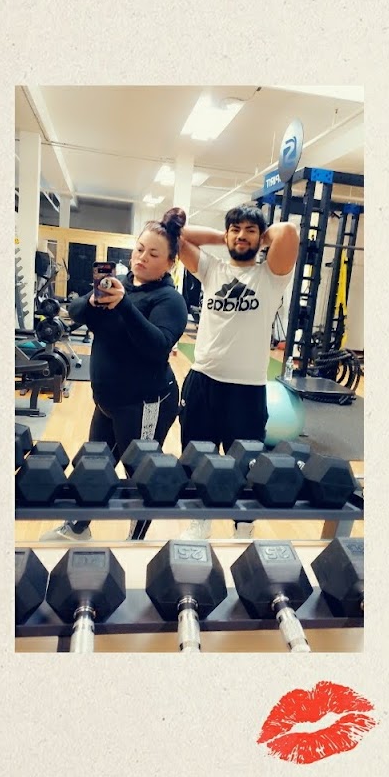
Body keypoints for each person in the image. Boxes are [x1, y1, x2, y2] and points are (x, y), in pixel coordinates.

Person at [40, 207, 189, 542]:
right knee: (94, 464)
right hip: (107, 402)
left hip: (145, 403)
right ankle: (77, 527)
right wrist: (95, 299)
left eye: (153, 254)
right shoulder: (117, 285)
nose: (142, 258)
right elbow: (75, 312)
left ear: (170, 263)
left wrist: (124, 305)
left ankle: (136, 540)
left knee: (140, 471)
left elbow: (157, 346)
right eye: (139, 249)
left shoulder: (170, 300)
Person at [177, 202, 299, 540]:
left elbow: (288, 232)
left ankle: (242, 523)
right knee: (197, 456)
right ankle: (200, 520)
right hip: (203, 381)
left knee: (246, 463)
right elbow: (176, 235)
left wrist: (255, 239)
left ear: (261, 237)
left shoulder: (271, 276)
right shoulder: (211, 269)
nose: (241, 235)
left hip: (246, 390)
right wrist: (225, 237)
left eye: (250, 230)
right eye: (236, 229)